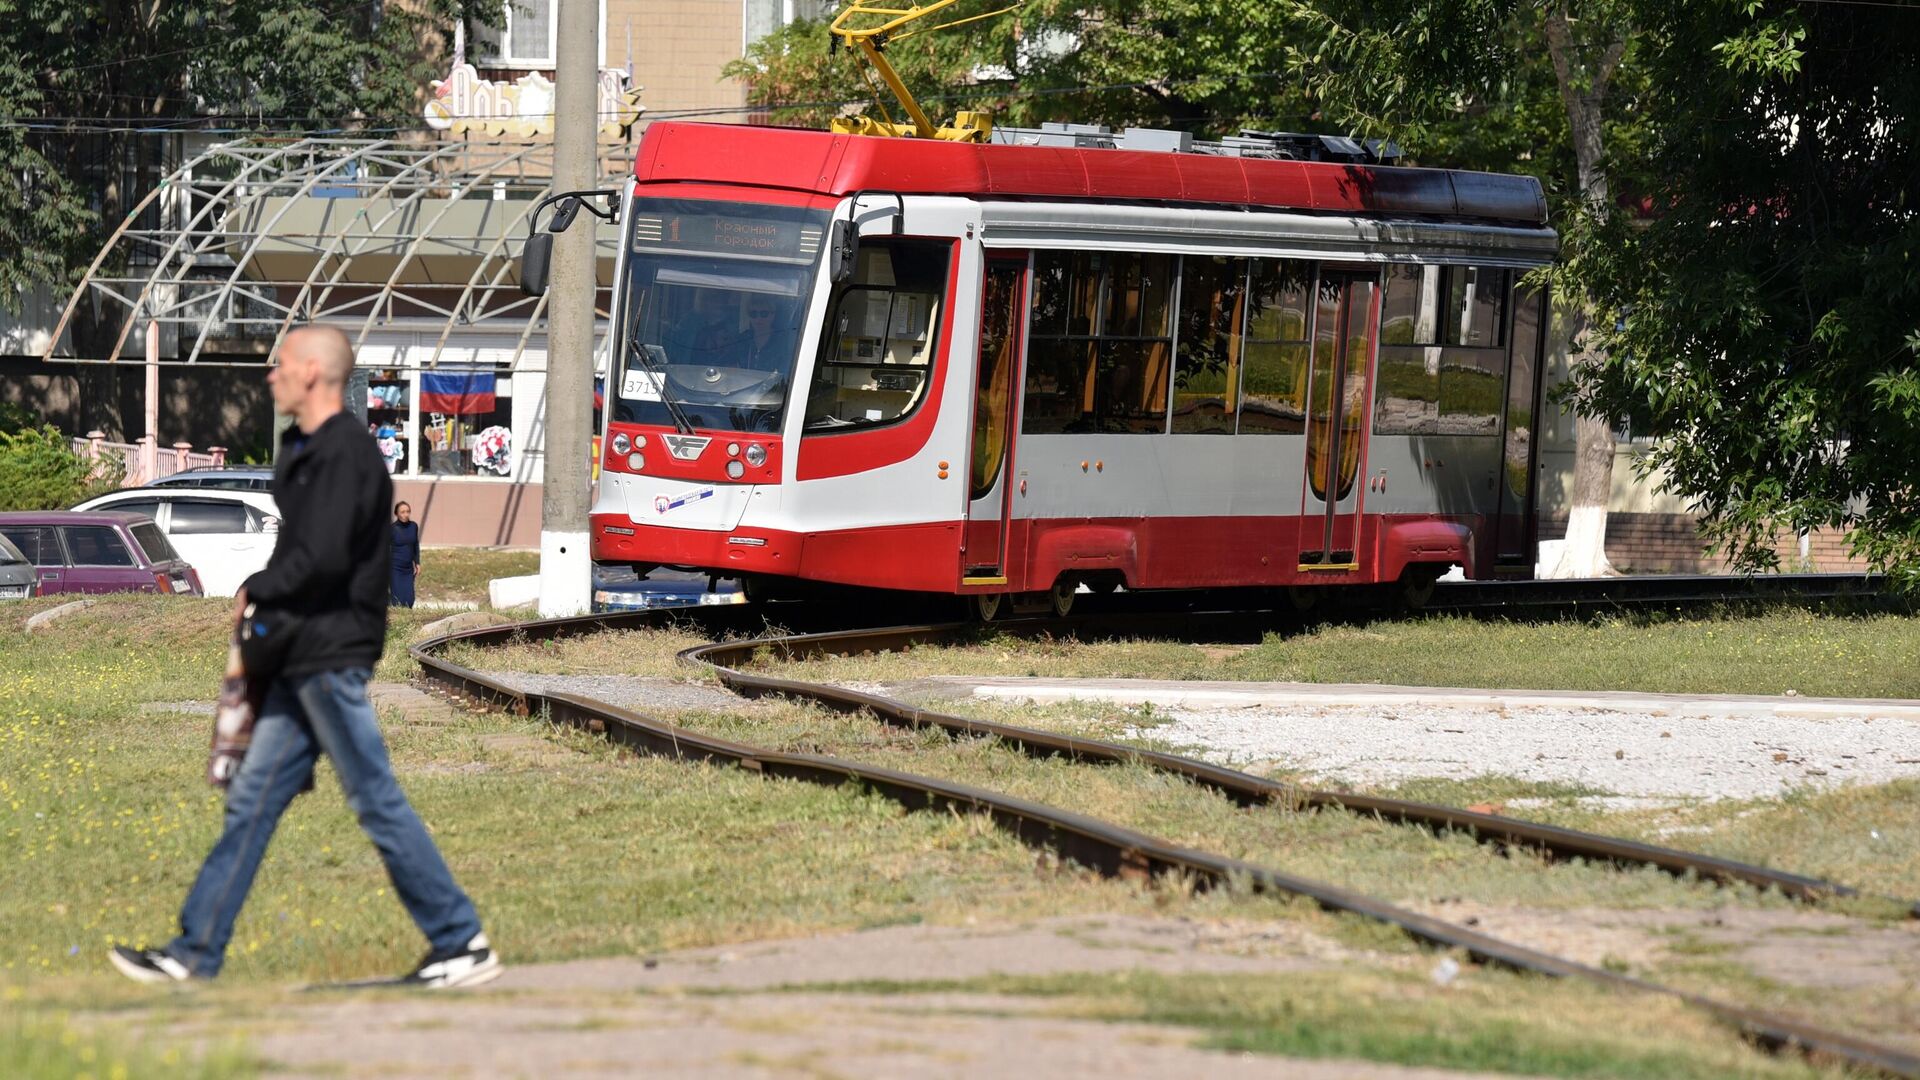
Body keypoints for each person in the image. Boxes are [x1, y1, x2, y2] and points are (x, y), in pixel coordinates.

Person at [110, 324, 500, 990]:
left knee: (375, 798)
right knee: (253, 801)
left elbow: (317, 557)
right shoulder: (306, 448)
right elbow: (303, 547)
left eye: (281, 364)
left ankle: (460, 940)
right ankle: (193, 952)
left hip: (327, 653)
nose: (271, 376)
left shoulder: (346, 454)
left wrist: (254, 590)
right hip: (299, 654)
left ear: (315, 371)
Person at [390, 501, 420, 608]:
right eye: (402, 512)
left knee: (409, 598)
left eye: (408, 511)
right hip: (395, 568)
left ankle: (407, 618)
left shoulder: (413, 526)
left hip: (408, 569)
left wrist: (417, 563)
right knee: (398, 599)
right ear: (396, 514)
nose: (405, 514)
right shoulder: (392, 529)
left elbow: (415, 545)